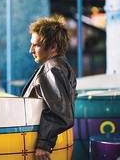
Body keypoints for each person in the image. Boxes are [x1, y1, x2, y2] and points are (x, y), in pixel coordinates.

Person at [21, 15, 77, 160]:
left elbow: (62, 113)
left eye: (36, 45)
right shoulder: (62, 66)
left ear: (53, 47)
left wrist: (43, 144)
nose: (30, 50)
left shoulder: (51, 69)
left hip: (40, 147)